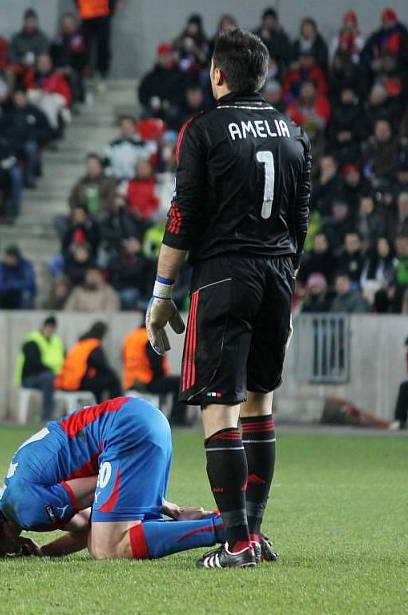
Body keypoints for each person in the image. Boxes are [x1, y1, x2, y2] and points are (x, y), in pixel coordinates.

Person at [145, 29, 311, 568]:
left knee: (220, 407)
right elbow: (301, 221)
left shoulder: (203, 130)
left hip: (223, 275)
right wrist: (282, 277)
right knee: (261, 401)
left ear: (218, 73)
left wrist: (162, 294)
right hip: (278, 272)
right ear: (260, 77)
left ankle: (236, 541)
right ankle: (254, 535)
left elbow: (183, 216)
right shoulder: (294, 133)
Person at [0, 397, 273, 561]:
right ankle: (232, 529)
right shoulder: (13, 494)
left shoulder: (28, 510)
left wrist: (166, 509)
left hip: (126, 431)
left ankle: (229, 529)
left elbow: (95, 493)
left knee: (107, 547)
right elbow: (88, 523)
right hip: (134, 419)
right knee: (107, 535)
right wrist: (46, 553)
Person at [123, 321, 187, 425]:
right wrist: (162, 375)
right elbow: (156, 364)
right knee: (180, 383)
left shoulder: (131, 336)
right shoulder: (150, 338)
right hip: (147, 382)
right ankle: (177, 419)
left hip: (131, 382)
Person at [15, 315, 66, 421]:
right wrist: (50, 371)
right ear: (43, 327)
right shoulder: (32, 340)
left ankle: (67, 418)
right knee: (48, 379)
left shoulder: (57, 341)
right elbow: (33, 363)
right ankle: (47, 415)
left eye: (52, 328)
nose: (50, 330)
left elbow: (65, 358)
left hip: (54, 376)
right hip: (30, 377)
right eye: (48, 327)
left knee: (67, 381)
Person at [56, 321, 121, 402]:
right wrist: (113, 374)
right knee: (112, 379)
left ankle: (97, 406)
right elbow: (103, 367)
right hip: (77, 384)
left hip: (67, 383)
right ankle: (117, 408)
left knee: (99, 380)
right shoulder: (93, 345)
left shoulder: (80, 344)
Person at [76, 0, 114, 80]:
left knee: (103, 44)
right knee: (85, 46)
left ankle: (102, 70)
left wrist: (111, 6)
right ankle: (86, 70)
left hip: (102, 11)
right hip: (87, 11)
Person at [0, 245, 36, 309]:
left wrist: (13, 285)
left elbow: (29, 282)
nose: (6, 259)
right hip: (6, 293)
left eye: (9, 257)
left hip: (19, 294)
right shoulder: (2, 266)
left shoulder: (26, 265)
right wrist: (6, 287)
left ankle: (24, 317)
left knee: (26, 295)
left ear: (15, 258)